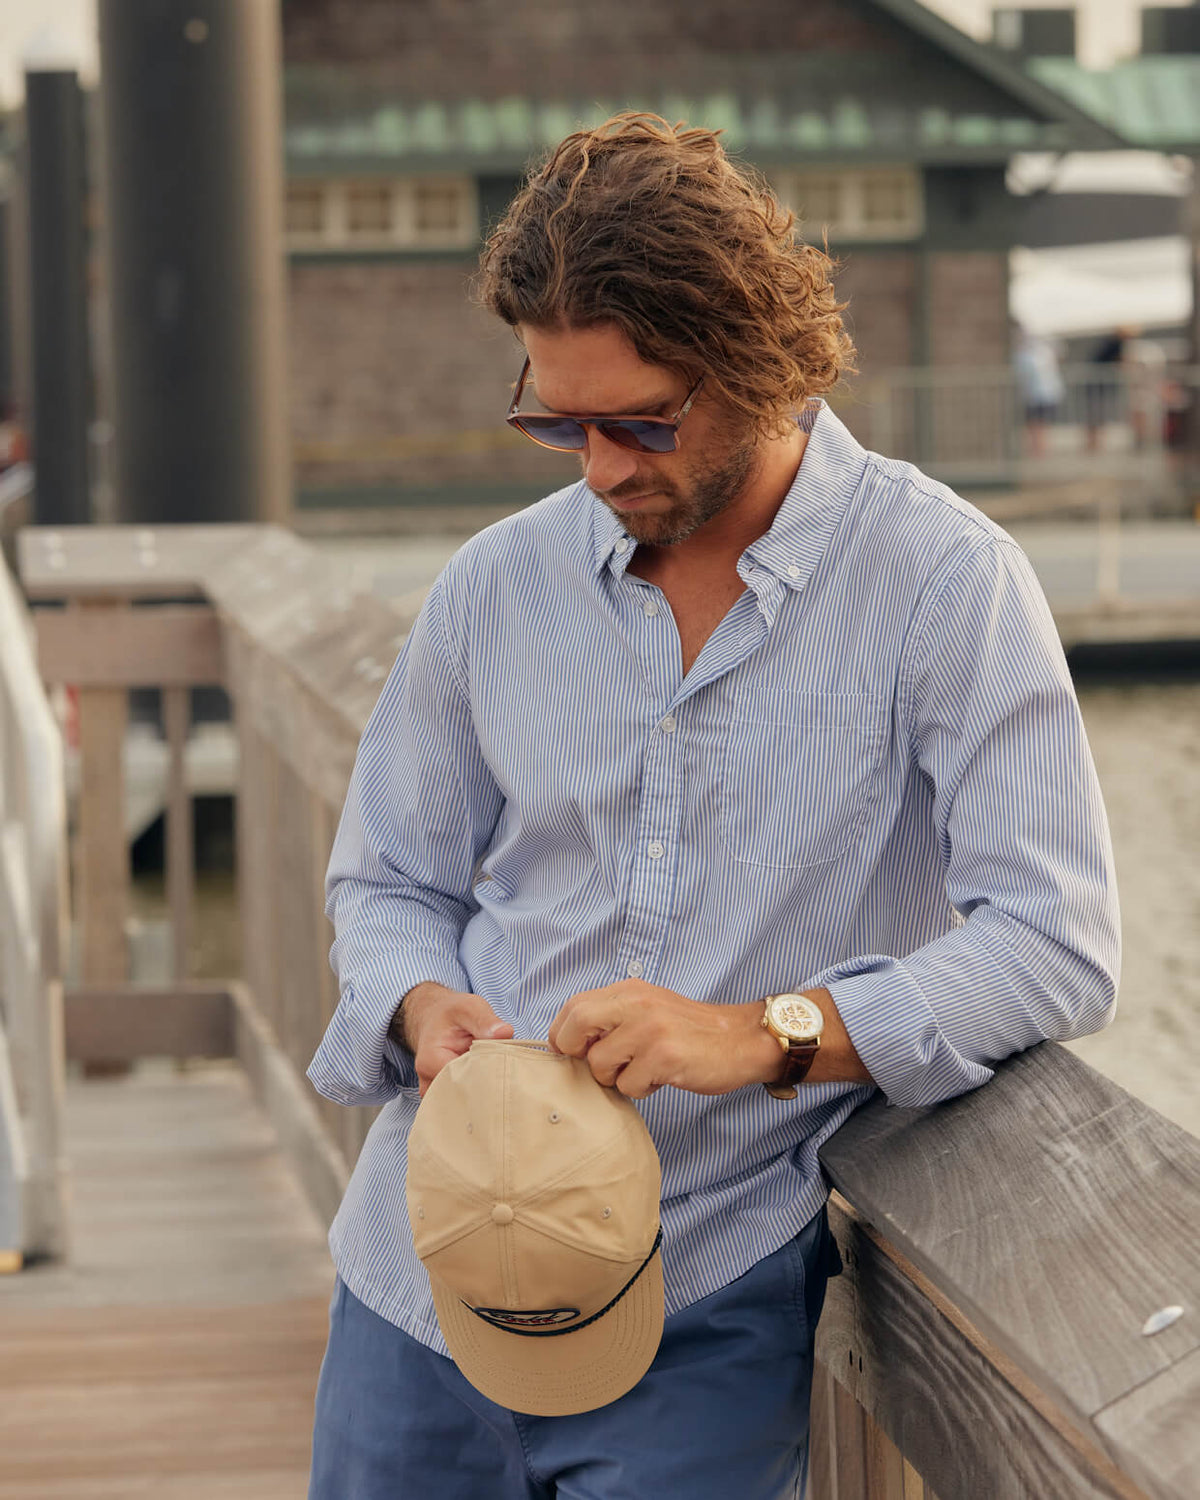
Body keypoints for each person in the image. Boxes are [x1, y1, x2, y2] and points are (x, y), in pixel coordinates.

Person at [306, 114, 1119, 1499]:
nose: (601, 464)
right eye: (560, 422)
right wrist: (419, 1003)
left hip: (706, 1294)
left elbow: (1056, 938)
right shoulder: (492, 589)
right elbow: (388, 883)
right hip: (421, 1267)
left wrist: (768, 1035)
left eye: (642, 420)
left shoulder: (945, 587)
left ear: (762, 362)